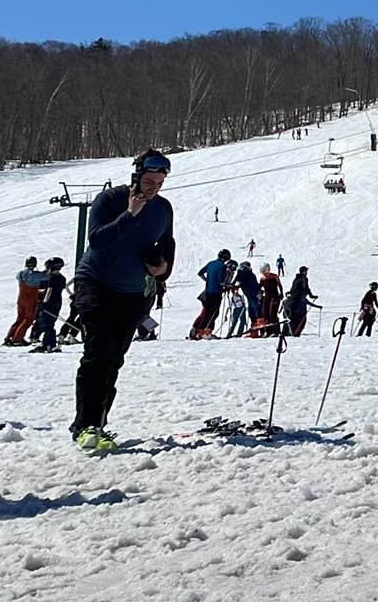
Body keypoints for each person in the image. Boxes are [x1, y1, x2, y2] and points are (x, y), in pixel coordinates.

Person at [70, 149, 176, 451]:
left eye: (159, 182)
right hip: (96, 282)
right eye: (149, 180)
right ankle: (86, 425)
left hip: (132, 292)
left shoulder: (163, 209)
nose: (153, 187)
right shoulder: (111, 200)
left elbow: (167, 243)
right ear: (137, 176)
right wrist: (130, 215)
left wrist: (163, 268)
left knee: (114, 358)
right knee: (98, 353)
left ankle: (98, 423)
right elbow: (98, 240)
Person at [192, 249, 235, 339]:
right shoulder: (222, 266)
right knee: (214, 313)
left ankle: (200, 332)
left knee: (207, 312)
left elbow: (200, 273)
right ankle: (207, 333)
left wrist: (207, 280)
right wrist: (228, 285)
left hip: (207, 292)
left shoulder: (210, 263)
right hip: (216, 292)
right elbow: (221, 281)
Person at [29, 257, 69, 352]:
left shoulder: (51, 278)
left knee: (45, 323)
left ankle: (50, 344)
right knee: (50, 323)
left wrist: (44, 302)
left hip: (49, 303)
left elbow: (50, 291)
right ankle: (47, 343)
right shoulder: (62, 278)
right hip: (57, 303)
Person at [5, 257, 45, 347]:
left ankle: (9, 337)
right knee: (28, 319)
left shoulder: (20, 274)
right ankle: (17, 339)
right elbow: (46, 277)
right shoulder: (36, 275)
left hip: (21, 299)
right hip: (30, 300)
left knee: (19, 319)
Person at [288, 267, 317, 336]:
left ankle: (291, 331)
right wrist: (311, 296)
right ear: (304, 272)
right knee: (302, 318)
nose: (307, 273)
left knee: (294, 317)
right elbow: (306, 288)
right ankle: (296, 333)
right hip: (299, 300)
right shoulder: (304, 278)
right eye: (306, 271)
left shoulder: (296, 279)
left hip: (293, 300)